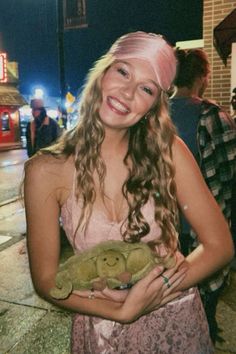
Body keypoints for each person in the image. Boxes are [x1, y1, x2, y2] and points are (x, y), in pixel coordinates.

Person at [24, 32, 234, 354]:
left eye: (147, 88)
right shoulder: (44, 171)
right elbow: (46, 279)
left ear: (154, 105)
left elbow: (219, 246)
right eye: (123, 71)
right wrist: (122, 311)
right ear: (103, 73)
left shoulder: (169, 152)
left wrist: (159, 289)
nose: (127, 91)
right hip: (102, 332)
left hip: (175, 323)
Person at [170, 48, 236, 344]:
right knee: (205, 281)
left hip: (165, 222)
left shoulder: (154, 112)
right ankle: (204, 328)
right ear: (203, 77)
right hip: (203, 222)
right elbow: (229, 172)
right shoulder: (212, 114)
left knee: (172, 283)